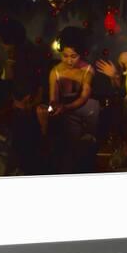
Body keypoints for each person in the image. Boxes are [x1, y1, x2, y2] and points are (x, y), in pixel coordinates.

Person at [48, 27, 100, 172]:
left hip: (86, 109)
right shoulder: (55, 72)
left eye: (73, 56)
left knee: (87, 146)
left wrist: (65, 108)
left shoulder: (88, 70)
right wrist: (53, 108)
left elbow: (84, 97)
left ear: (81, 54)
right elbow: (53, 99)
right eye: (65, 56)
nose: (69, 60)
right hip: (65, 112)